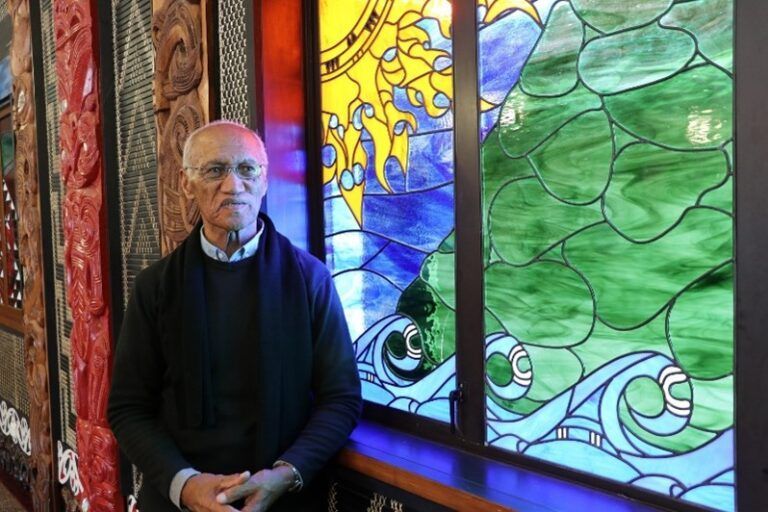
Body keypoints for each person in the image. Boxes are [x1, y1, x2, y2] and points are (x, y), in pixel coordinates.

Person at [108, 121, 362, 512]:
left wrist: (286, 473)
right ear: (186, 183)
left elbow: (341, 397)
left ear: (265, 181)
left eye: (247, 170)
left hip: (281, 499)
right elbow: (128, 408)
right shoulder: (155, 287)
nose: (232, 185)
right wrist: (186, 485)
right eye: (214, 170)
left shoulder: (309, 280)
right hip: (177, 499)